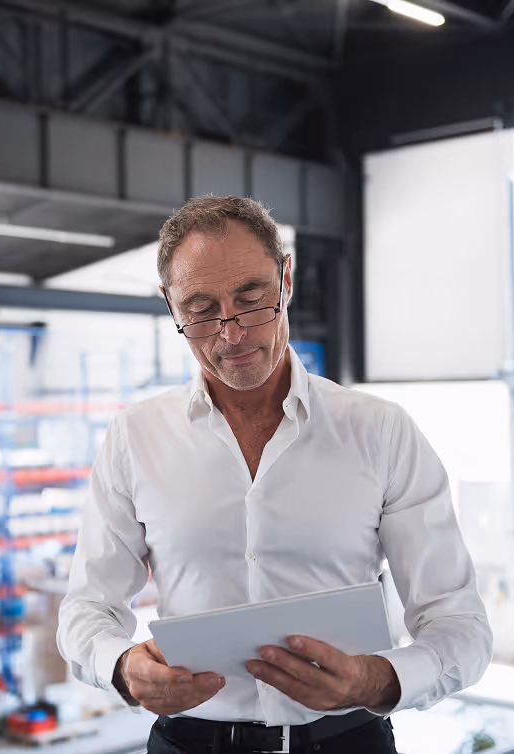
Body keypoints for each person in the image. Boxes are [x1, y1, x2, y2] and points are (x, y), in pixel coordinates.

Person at [57, 196, 492, 753]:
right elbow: (87, 606)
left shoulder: (381, 432)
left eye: (252, 300)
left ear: (286, 278)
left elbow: (460, 626)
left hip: (347, 741)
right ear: (170, 304)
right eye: (201, 310)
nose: (231, 334)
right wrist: (119, 666)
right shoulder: (135, 437)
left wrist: (376, 679)